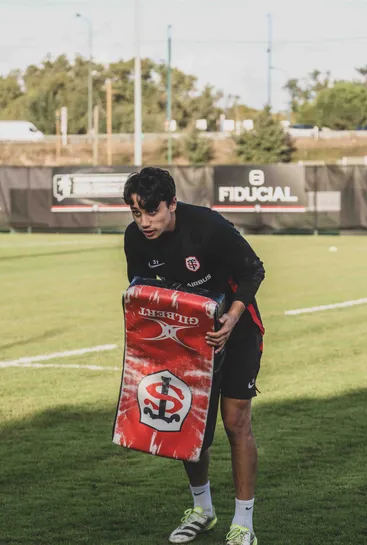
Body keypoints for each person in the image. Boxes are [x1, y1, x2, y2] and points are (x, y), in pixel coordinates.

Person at [122, 167, 265, 545]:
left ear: (172, 204)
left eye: (152, 212)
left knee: (236, 422)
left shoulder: (208, 227)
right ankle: (203, 509)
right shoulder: (134, 239)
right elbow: (140, 292)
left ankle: (243, 522)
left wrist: (231, 319)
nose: (144, 222)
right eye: (136, 213)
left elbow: (254, 270)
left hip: (236, 330)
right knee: (188, 424)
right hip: (183, 338)